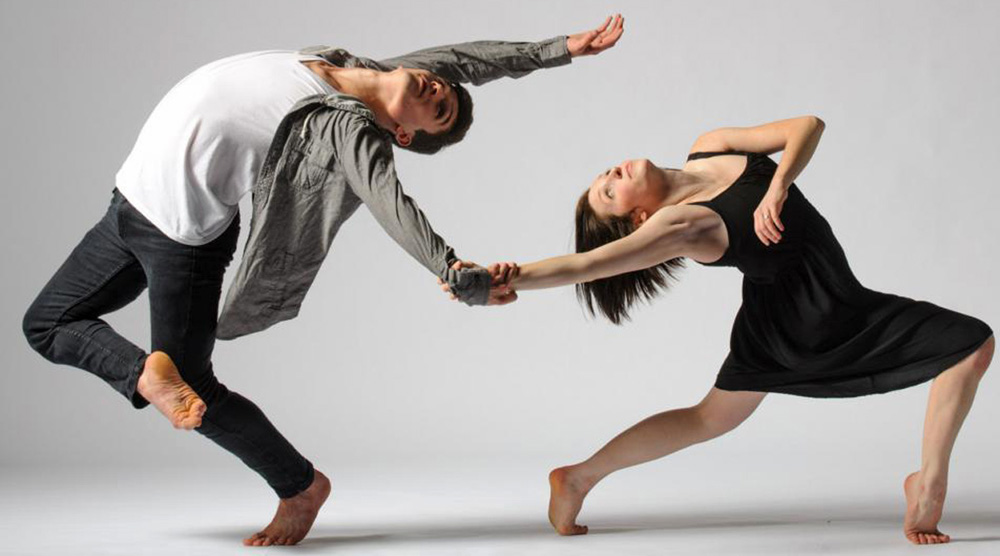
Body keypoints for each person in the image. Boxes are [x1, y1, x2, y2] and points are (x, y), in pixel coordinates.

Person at [21, 16, 625, 547]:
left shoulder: (349, 128)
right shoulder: (355, 66)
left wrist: (450, 269)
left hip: (182, 236)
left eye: (439, 109)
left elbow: (390, 202)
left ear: (404, 134)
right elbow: (469, 60)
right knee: (47, 323)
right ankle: (148, 376)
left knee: (193, 387)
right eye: (442, 86)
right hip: (129, 205)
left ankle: (299, 486)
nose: (439, 88)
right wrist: (560, 49)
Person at [457, 115, 993, 545]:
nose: (611, 175)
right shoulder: (681, 224)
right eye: (609, 192)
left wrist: (778, 186)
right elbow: (587, 265)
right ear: (639, 220)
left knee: (709, 417)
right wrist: (503, 278)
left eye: (605, 176)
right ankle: (929, 485)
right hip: (805, 321)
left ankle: (576, 477)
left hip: (807, 304)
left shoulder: (710, 146)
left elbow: (807, 126)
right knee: (970, 343)